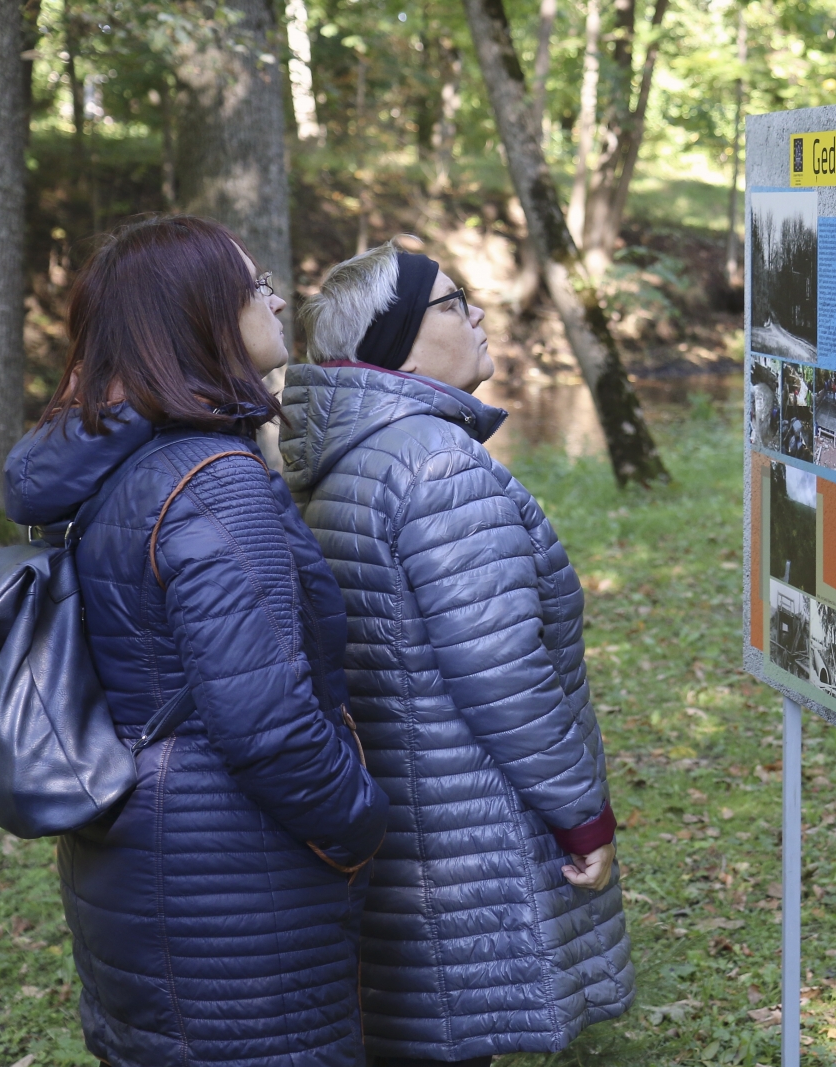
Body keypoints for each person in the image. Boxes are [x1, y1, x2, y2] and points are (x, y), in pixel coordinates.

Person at [2, 215, 389, 1067]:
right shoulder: (214, 484)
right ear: (198, 315)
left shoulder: (121, 469)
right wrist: (360, 824)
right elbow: (267, 723)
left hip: (137, 853)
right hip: (232, 886)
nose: (279, 296)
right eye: (255, 285)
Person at [281, 239, 633, 1065]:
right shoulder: (439, 468)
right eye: (452, 301)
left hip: (398, 826)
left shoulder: (348, 462)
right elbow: (506, 674)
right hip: (462, 830)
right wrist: (582, 817)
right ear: (396, 336)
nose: (478, 313)